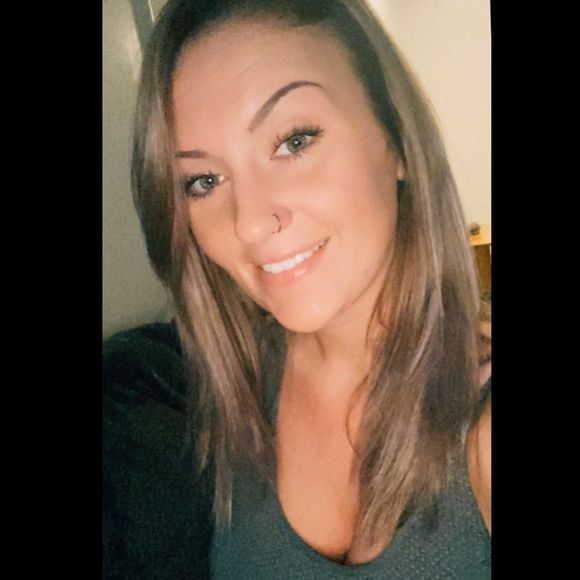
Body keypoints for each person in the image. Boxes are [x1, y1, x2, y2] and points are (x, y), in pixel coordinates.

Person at [103, 0, 492, 578]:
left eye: (293, 141)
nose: (250, 223)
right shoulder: (227, 387)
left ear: (396, 140)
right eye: (204, 180)